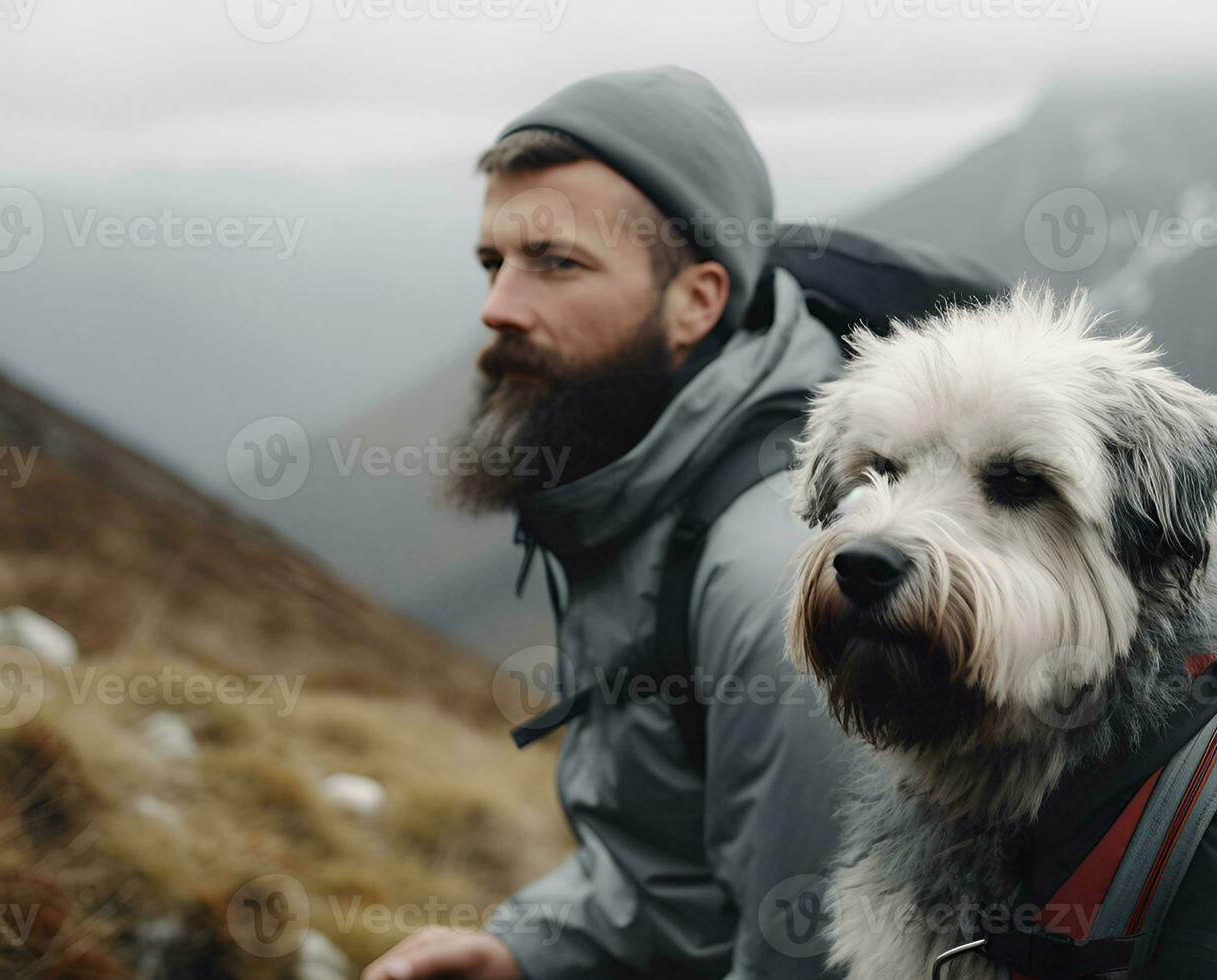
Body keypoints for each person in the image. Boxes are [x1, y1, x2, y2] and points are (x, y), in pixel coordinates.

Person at [362, 65, 854, 980]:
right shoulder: (645, 469)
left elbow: (816, 953)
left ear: (697, 300)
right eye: (492, 262)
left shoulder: (770, 573)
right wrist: (523, 951)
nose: (497, 306)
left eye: (556, 262)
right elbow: (680, 878)